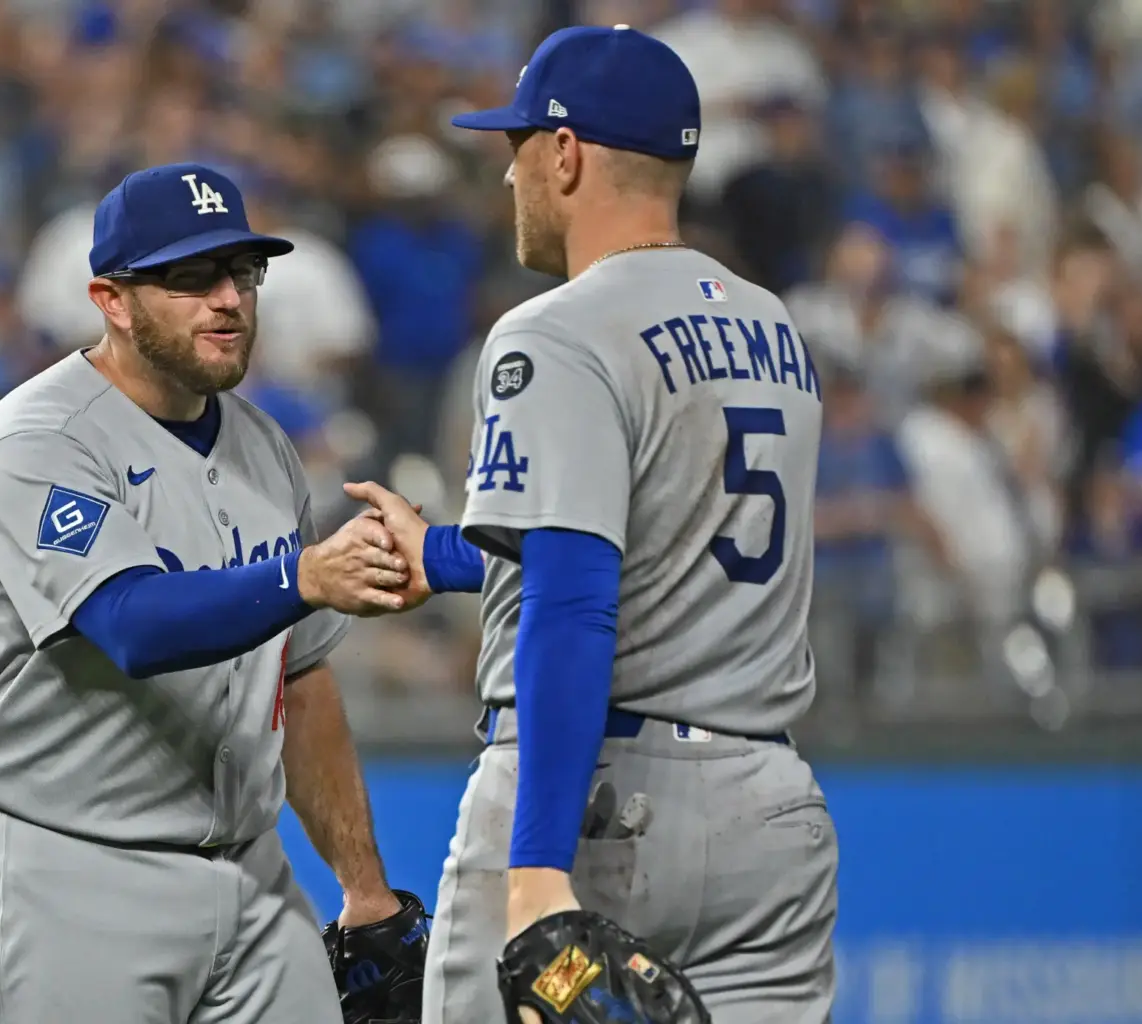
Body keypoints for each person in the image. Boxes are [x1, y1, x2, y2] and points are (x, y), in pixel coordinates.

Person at [351, 26, 837, 1023]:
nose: (510, 178)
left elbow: (573, 601)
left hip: (606, 806)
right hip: (770, 806)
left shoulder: (555, 329)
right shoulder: (773, 327)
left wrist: (536, 868)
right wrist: (442, 553)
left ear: (566, 153)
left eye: (519, 147)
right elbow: (651, 534)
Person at [0, 162, 425, 1023]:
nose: (228, 300)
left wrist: (364, 888)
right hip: (74, 871)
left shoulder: (264, 444)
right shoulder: (39, 440)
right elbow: (131, 624)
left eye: (242, 273)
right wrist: (305, 575)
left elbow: (302, 679)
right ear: (112, 299)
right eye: (190, 278)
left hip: (252, 871)